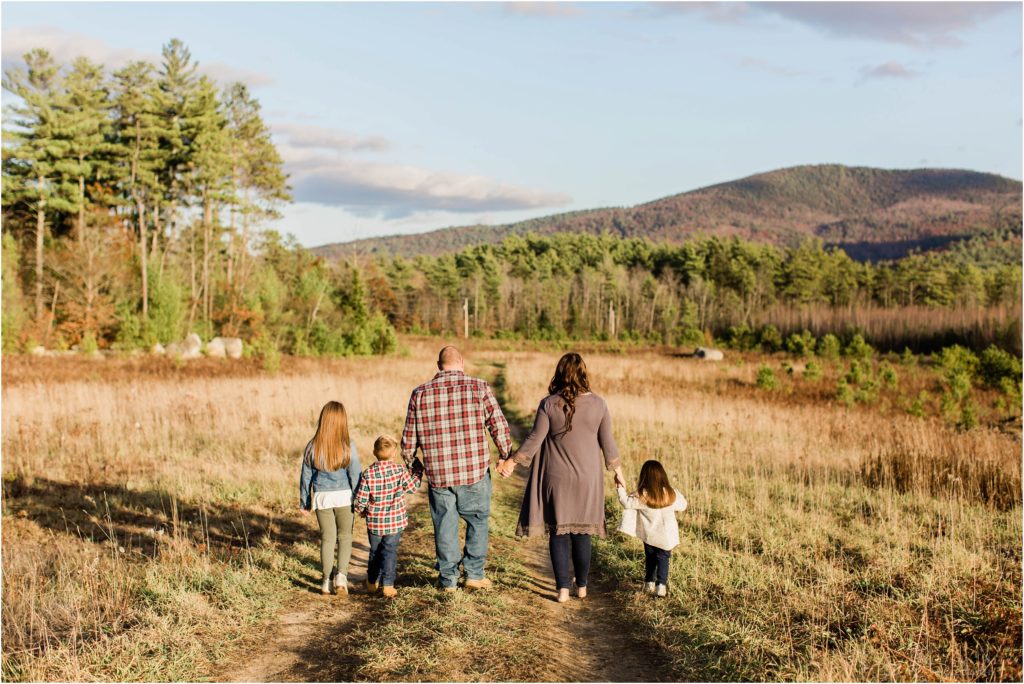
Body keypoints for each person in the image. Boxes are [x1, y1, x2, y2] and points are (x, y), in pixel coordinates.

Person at [498, 352, 626, 603]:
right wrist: (618, 472)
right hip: (588, 479)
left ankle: (563, 589)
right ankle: (583, 586)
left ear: (559, 373)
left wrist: (511, 462)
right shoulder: (599, 404)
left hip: (556, 478)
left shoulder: (548, 403)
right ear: (584, 374)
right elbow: (607, 443)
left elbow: (534, 439)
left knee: (559, 532)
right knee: (582, 532)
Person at [400, 346, 512, 592]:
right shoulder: (479, 387)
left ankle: (448, 580)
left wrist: (416, 467)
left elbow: (408, 442)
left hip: (439, 473)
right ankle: (473, 574)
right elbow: (498, 425)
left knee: (444, 525)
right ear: (462, 362)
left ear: (438, 365)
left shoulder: (419, 393)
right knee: (478, 521)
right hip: (474, 470)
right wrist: (506, 456)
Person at [299, 401, 362, 596]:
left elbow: (305, 476)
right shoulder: (348, 445)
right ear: (342, 421)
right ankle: (341, 576)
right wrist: (360, 499)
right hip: (344, 496)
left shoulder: (312, 446)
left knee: (328, 538)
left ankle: (325, 580)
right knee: (345, 537)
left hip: (322, 497)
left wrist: (305, 501)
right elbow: (356, 475)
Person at [353, 435, 421, 598]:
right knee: (389, 551)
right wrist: (418, 472)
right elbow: (412, 488)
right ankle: (388, 585)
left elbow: (361, 500)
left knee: (375, 552)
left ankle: (371, 582)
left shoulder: (368, 473)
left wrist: (361, 510)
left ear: (374, 452)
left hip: (375, 523)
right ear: (393, 454)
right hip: (394, 522)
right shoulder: (398, 470)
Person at [615, 460, 688, 598]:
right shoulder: (671, 494)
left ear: (644, 477)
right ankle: (661, 585)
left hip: (650, 537)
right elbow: (683, 505)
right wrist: (678, 492)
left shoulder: (642, 495)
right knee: (663, 559)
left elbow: (626, 502)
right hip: (667, 537)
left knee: (650, 558)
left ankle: (649, 582)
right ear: (663, 476)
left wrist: (620, 487)